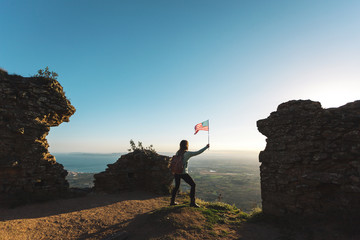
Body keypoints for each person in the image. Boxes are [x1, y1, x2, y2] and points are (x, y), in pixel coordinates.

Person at [170, 140, 209, 207]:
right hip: (183, 173)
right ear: (187, 145)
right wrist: (206, 147)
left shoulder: (178, 152)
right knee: (193, 185)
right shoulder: (187, 153)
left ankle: (172, 201)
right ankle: (192, 203)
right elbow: (198, 152)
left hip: (176, 172)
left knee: (176, 186)